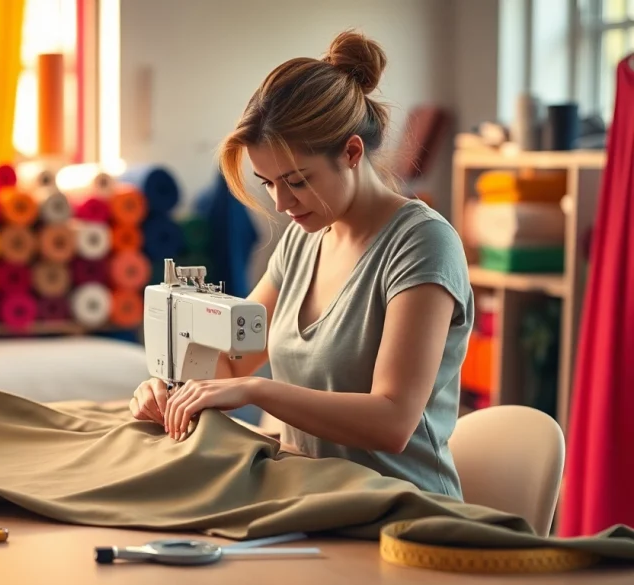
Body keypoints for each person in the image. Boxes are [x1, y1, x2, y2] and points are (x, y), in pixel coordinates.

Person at [128, 29, 474, 499]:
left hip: (403, 513)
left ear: (351, 153)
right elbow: (232, 367)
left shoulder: (422, 245)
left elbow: (392, 420)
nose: (281, 201)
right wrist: (171, 387)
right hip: (313, 499)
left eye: (296, 180)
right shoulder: (301, 242)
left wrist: (259, 392)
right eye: (267, 182)